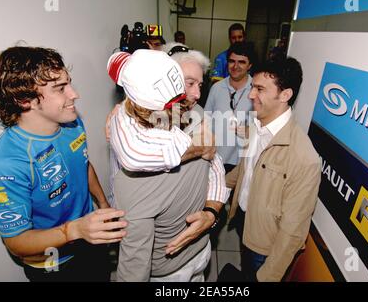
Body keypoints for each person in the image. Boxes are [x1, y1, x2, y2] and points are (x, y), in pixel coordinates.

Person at [0, 46, 127, 282]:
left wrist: (103, 204)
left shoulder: (72, 123)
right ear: (24, 99)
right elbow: (16, 242)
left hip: (91, 241)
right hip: (53, 264)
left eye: (69, 83)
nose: (74, 94)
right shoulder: (3, 165)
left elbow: (83, 164)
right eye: (60, 88)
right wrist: (74, 230)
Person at [107, 49, 229, 281]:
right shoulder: (134, 175)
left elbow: (215, 166)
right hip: (169, 271)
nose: (195, 94)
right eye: (188, 83)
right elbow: (134, 265)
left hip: (201, 252)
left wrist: (211, 213)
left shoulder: (197, 115)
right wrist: (198, 147)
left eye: (200, 85)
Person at [225, 57, 322, 281]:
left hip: (264, 248)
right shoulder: (256, 125)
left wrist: (267, 276)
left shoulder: (304, 158)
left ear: (285, 95)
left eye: (260, 89)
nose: (251, 95)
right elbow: (245, 170)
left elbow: (293, 232)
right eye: (252, 87)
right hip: (244, 222)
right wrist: (213, 187)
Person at [205, 41, 255, 173]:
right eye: (232, 61)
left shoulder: (256, 90)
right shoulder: (216, 88)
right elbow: (205, 120)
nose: (235, 66)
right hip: (214, 159)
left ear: (250, 65)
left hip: (241, 163)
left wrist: (251, 130)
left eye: (242, 62)